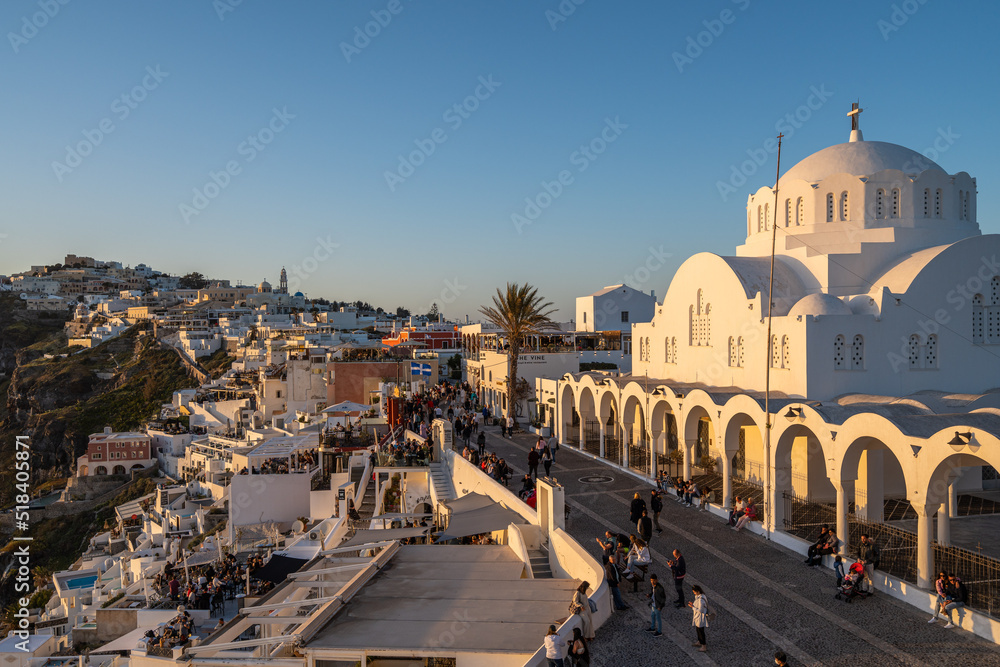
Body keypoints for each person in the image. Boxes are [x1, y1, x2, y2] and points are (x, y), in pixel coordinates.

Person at [688, 584, 709, 652]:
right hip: (698, 617)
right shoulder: (701, 596)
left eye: (694, 592)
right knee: (698, 630)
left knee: (701, 631)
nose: (694, 593)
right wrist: (693, 605)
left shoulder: (701, 600)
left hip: (700, 617)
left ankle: (703, 646)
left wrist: (692, 607)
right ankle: (699, 641)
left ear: (697, 591)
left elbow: (700, 610)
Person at [644, 573, 666, 637]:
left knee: (658, 619)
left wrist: (660, 607)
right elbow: (653, 593)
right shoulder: (653, 586)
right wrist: (649, 595)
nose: (652, 582)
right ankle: (652, 628)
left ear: (657, 580)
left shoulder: (660, 588)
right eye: (651, 580)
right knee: (652, 616)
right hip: (653, 604)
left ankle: (659, 631)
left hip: (657, 605)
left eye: (653, 580)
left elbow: (664, 598)